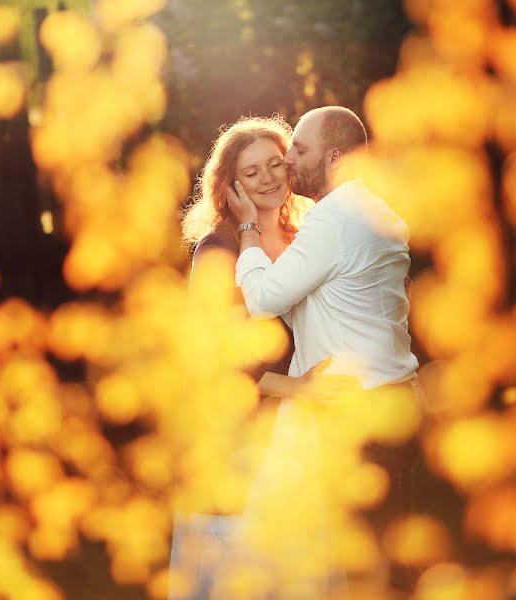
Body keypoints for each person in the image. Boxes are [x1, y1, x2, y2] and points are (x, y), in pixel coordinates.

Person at [226, 105, 424, 592]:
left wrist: (249, 227)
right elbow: (315, 306)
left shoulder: (334, 220)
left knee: (360, 565)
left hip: (358, 410)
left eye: (300, 149)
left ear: (334, 156)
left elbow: (265, 299)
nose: (288, 159)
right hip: (392, 399)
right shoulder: (371, 210)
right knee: (378, 559)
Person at [170, 115, 310, 600]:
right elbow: (213, 357)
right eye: (252, 172)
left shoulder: (303, 238)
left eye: (277, 163)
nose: (269, 178)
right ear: (230, 186)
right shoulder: (218, 248)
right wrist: (298, 387)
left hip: (291, 433)